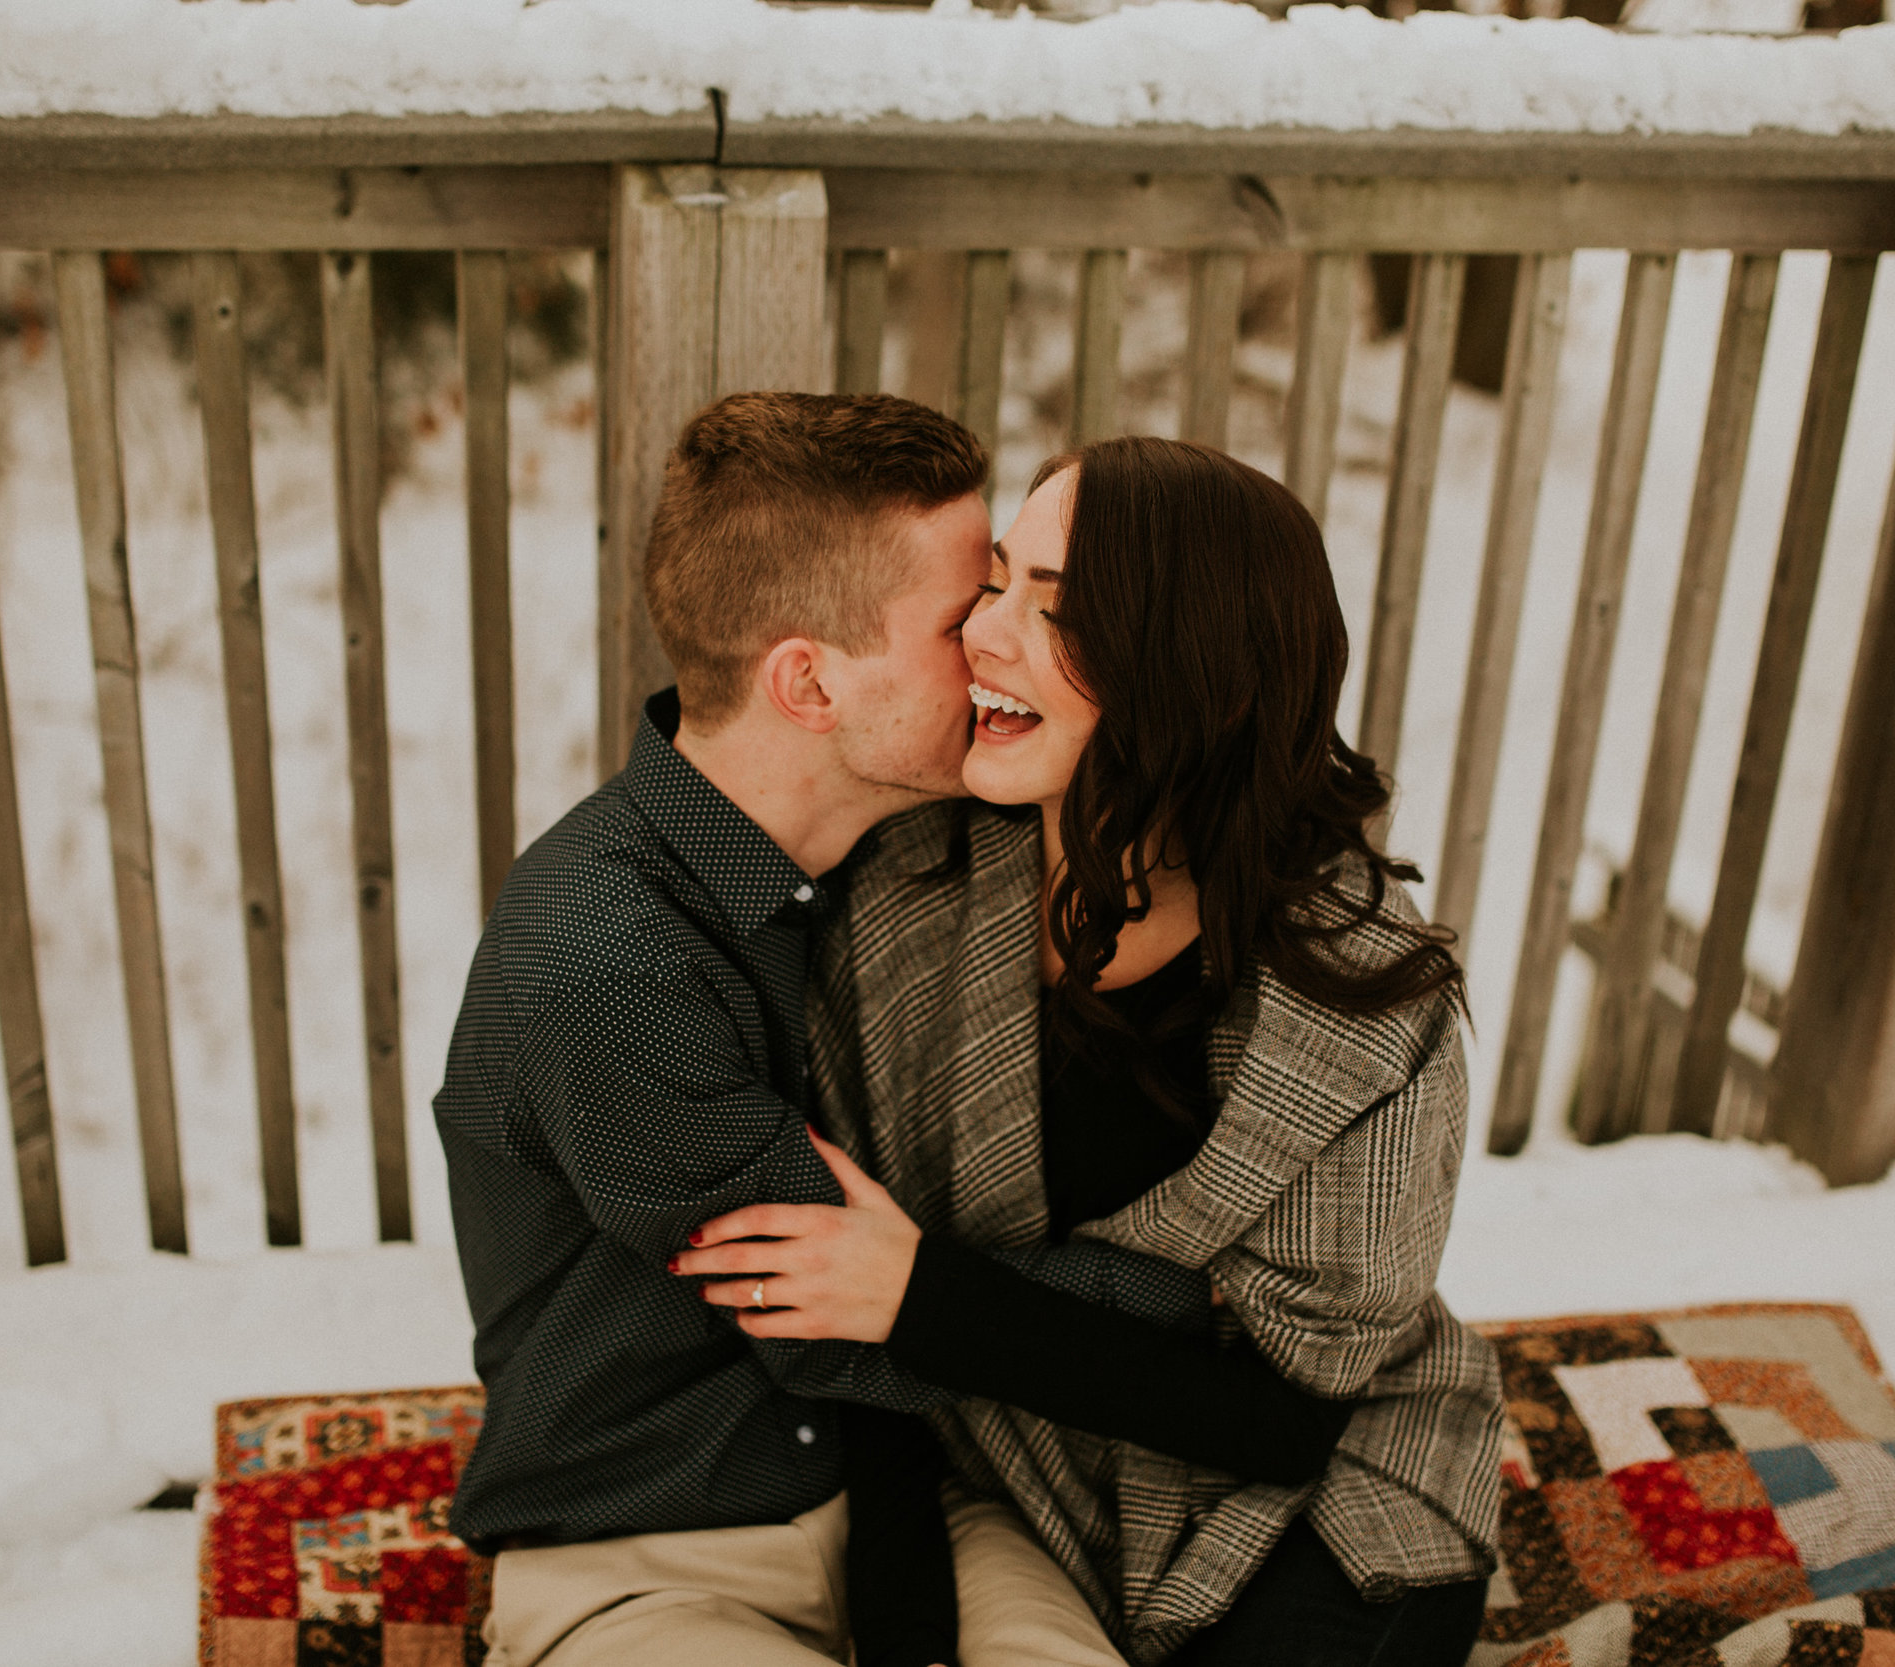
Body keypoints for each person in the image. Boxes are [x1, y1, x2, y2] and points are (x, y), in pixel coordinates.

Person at [436, 393, 1323, 1667]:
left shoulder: (909, 850)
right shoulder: (604, 958)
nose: (998, 650)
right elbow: (840, 1312)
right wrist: (1204, 1302)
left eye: (1010, 595)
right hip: (656, 1548)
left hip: (947, 1500)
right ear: (808, 681)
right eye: (966, 617)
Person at [670, 436, 1506, 1666]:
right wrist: (907, 1632)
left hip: (1324, 1499)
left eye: (1053, 611)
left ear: (1190, 665)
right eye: (994, 582)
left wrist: (924, 1295)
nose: (982, 633)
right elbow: (846, 1335)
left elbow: (1283, 1416)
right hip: (1009, 1474)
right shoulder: (901, 895)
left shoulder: (1361, 991)